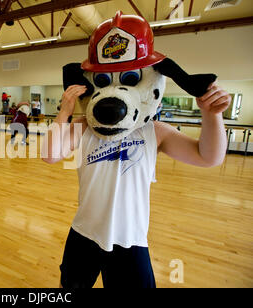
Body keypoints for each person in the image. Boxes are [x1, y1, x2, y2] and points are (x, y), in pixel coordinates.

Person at [42, 12, 232, 288]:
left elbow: (209, 157)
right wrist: (66, 111)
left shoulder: (153, 131)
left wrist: (212, 115)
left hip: (130, 239)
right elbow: (50, 154)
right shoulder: (83, 127)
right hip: (84, 233)